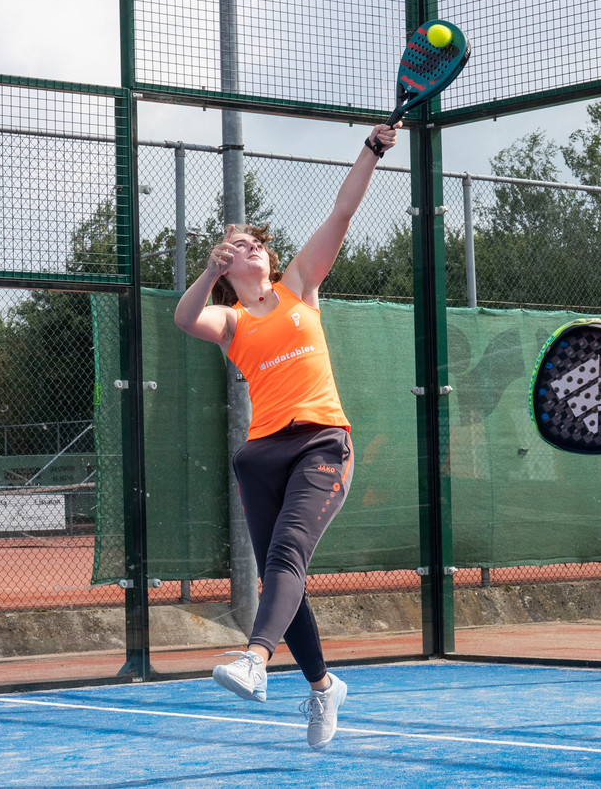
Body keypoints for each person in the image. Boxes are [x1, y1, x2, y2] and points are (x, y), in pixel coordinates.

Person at [173, 121, 398, 750]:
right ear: (226, 266)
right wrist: (205, 271)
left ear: (269, 258)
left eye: (250, 242)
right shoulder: (231, 319)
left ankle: (254, 659)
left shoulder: (300, 287)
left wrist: (372, 149)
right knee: (282, 575)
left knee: (287, 557)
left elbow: (343, 210)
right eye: (232, 245)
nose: (243, 247)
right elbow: (184, 317)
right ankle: (323, 686)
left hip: (322, 442)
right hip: (260, 457)